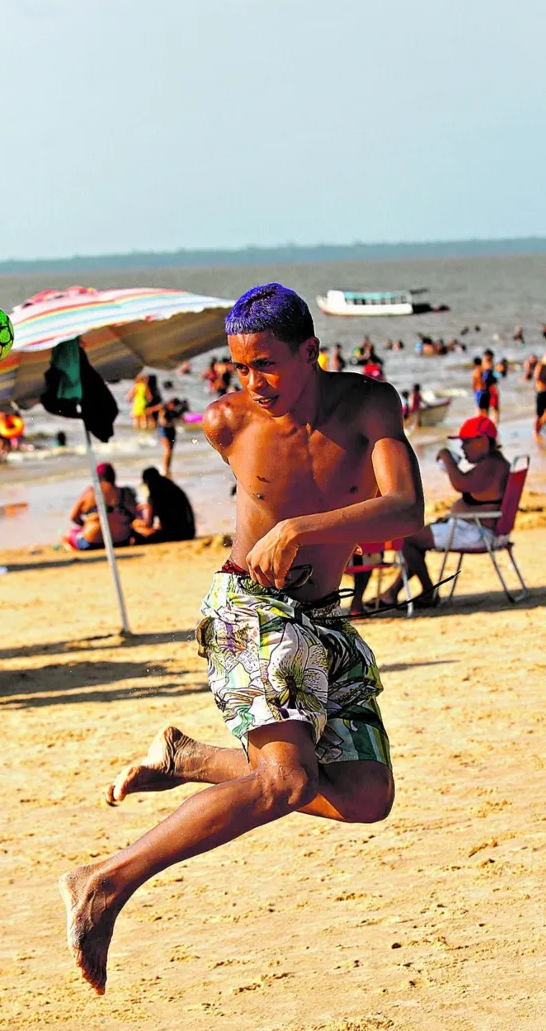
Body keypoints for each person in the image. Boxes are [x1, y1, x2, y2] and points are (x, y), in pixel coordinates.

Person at [59, 282, 424, 994]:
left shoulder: (369, 406)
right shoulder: (225, 423)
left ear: (310, 352)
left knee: (366, 794)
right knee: (287, 780)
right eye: (238, 367)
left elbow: (407, 506)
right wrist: (281, 531)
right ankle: (104, 881)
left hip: (323, 619)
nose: (252, 383)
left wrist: (298, 529)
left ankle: (188, 757)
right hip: (248, 607)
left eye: (267, 364)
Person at [379, 415, 509, 608]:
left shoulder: (491, 465)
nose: (463, 448)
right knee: (416, 539)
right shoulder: (496, 463)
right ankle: (391, 593)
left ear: (482, 440)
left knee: (410, 539)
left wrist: (447, 457)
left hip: (476, 532)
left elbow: (461, 483)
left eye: (466, 442)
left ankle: (427, 592)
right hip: (474, 526)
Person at [64, 463, 137, 551]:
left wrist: (86, 525)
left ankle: (71, 548)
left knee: (68, 535)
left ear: (97, 477)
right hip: (121, 540)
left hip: (92, 542)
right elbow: (133, 515)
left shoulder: (90, 493)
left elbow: (73, 517)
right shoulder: (124, 493)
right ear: (113, 475)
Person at [132, 466, 196, 542]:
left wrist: (136, 523)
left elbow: (149, 523)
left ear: (147, 482)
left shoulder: (153, 495)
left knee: (136, 530)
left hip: (174, 536)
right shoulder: (172, 487)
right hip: (189, 532)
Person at [152, 397, 189, 477]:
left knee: (170, 452)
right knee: (168, 450)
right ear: (170, 403)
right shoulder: (163, 407)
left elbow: (183, 420)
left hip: (172, 430)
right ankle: (165, 470)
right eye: (174, 405)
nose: (175, 407)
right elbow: (162, 421)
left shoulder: (176, 411)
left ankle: (168, 470)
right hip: (163, 430)